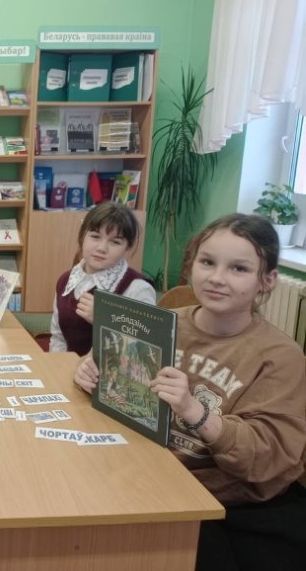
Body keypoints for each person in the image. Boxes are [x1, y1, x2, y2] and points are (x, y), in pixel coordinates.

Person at [74, 213, 306, 571]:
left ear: (267, 280)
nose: (217, 278)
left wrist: (195, 412)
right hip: (148, 477)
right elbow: (116, 375)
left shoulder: (280, 357)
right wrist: (91, 371)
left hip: (227, 506)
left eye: (239, 268)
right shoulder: (165, 321)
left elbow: (267, 461)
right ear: (191, 265)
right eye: (207, 262)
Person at [50, 202, 156, 355]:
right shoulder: (66, 281)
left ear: (127, 247)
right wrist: (58, 366)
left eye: (115, 242)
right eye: (95, 236)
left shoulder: (138, 288)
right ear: (82, 236)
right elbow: (58, 338)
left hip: (109, 371)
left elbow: (144, 352)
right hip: (67, 368)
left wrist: (105, 320)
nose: (101, 248)